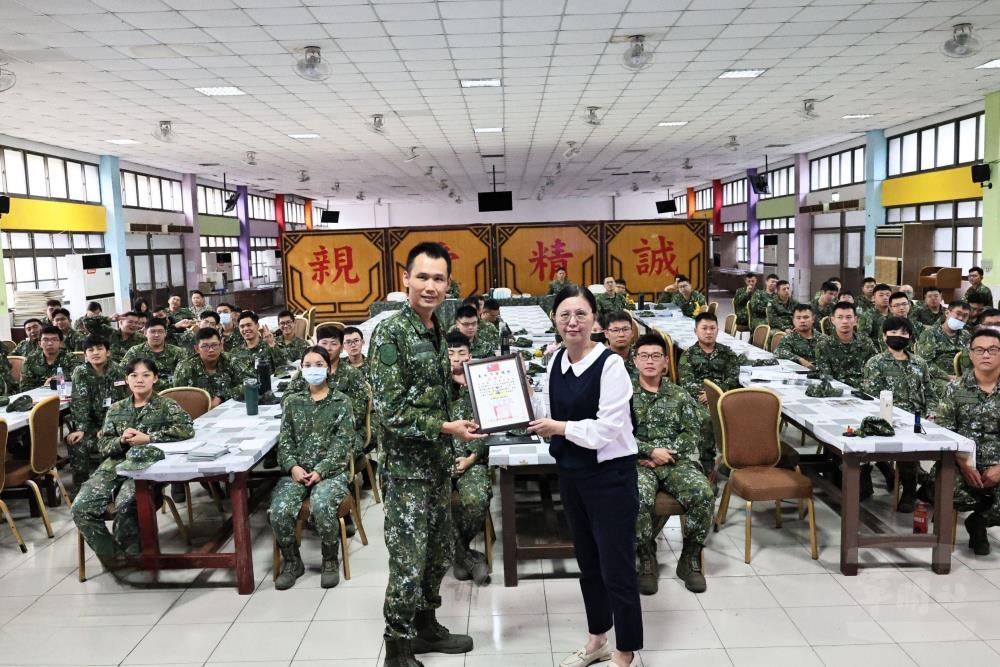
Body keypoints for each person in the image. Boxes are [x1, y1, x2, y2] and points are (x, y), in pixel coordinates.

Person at [368, 242, 482, 666]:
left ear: (448, 283)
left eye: (439, 278)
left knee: (437, 551)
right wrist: (445, 427)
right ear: (405, 279)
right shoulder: (390, 333)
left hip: (435, 464)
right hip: (406, 472)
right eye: (423, 277)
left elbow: (437, 395)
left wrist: (464, 422)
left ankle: (426, 626)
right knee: (408, 558)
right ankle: (397, 647)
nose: (430, 286)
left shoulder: (436, 327)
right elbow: (391, 411)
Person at [527, 284, 642, 667]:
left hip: (610, 477)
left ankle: (625, 650)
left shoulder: (611, 366)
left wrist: (558, 427)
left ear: (596, 320)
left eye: (581, 314)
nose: (572, 322)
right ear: (554, 320)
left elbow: (606, 430)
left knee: (617, 565)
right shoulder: (554, 360)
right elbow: (543, 408)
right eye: (564, 315)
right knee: (588, 562)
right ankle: (598, 639)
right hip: (572, 474)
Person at [71, 358, 194, 570]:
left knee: (126, 505)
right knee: (80, 508)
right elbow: (104, 445)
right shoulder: (117, 409)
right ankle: (116, 559)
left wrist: (149, 438)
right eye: (134, 376)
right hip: (113, 467)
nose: (140, 380)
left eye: (146, 375)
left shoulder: (166, 405)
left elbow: (186, 429)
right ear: (126, 380)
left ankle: (134, 559)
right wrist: (120, 440)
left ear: (155, 378)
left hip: (146, 469)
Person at [271, 346, 359, 590]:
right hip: (296, 474)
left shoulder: (342, 402)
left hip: (330, 473)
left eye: (319, 365)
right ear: (301, 369)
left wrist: (321, 470)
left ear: (329, 369)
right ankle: (292, 562)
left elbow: (343, 445)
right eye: (307, 365)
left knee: (321, 506)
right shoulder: (292, 402)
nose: (313, 370)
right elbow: (285, 442)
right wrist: (292, 467)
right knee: (278, 510)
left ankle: (330, 559)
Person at [632, 333, 713, 595]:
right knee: (637, 496)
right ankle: (646, 557)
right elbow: (616, 432)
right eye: (644, 356)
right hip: (638, 461)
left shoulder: (678, 395)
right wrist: (649, 451)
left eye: (656, 356)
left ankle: (689, 558)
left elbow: (693, 432)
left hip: (675, 461)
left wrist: (668, 453)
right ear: (635, 361)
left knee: (702, 493)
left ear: (666, 362)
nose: (650, 361)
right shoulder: (624, 394)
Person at [861, 317, 936, 510]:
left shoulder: (920, 363)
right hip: (887, 418)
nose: (898, 337)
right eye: (893, 333)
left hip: (917, 418)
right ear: (885, 336)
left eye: (903, 333)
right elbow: (871, 396)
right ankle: (887, 472)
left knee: (912, 452)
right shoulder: (875, 363)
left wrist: (933, 412)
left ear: (910, 337)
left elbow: (929, 392)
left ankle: (910, 491)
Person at [937, 328, 1000, 555]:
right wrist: (964, 465)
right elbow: (943, 432)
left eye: (993, 350)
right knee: (948, 492)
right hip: (960, 460)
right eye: (980, 350)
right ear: (970, 355)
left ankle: (979, 522)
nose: (986, 355)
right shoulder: (955, 389)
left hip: (998, 462)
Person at [444, 331, 492, 586]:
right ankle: (467, 559)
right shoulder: (434, 386)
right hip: (439, 462)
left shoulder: (481, 386)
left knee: (477, 499)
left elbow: (490, 429)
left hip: (470, 458)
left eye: (462, 353)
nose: (456, 359)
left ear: (470, 355)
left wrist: (472, 459)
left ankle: (458, 554)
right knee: (433, 505)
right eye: (450, 354)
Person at [67, 335, 128, 489]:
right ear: (85, 355)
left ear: (108, 352)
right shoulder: (80, 372)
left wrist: (107, 428)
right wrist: (81, 429)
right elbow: (80, 402)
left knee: (113, 446)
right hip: (90, 426)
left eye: (100, 348)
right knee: (77, 443)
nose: (95, 352)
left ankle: (109, 487)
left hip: (115, 426)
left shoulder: (118, 371)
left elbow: (122, 404)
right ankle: (80, 489)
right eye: (90, 350)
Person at [173, 328, 248, 407]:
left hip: (229, 411)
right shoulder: (184, 367)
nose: (211, 350)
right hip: (197, 413)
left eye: (214, 345)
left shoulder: (232, 361)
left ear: (221, 345)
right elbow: (178, 397)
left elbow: (250, 383)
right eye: (205, 346)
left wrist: (222, 396)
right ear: (197, 349)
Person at [678, 312, 741, 403]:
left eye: (712, 328)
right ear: (695, 331)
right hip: (697, 401)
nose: (709, 332)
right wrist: (705, 396)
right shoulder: (688, 355)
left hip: (722, 398)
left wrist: (715, 393)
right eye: (704, 328)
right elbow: (686, 382)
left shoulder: (727, 352)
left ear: (717, 330)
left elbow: (733, 377)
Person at [915, 300, 971, 398]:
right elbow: (924, 363)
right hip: (936, 378)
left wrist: (965, 378)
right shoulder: (930, 334)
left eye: (965, 316)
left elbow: (971, 360)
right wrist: (948, 377)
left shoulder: (966, 336)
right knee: (957, 392)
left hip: (962, 378)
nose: (961, 318)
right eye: (958, 314)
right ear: (947, 313)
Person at [815, 302, 877, 388]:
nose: (845, 321)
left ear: (855, 320)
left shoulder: (866, 342)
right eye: (840, 317)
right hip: (838, 390)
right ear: (833, 320)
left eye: (849, 317)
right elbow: (826, 377)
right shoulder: (823, 346)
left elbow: (875, 370)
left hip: (865, 389)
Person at [121, 318, 187, 390]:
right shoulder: (135, 351)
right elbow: (121, 372)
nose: (156, 335)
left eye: (160, 332)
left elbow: (184, 376)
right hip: (143, 392)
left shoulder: (177, 352)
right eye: (152, 332)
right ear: (145, 333)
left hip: (171, 392)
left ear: (165, 333)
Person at [19, 326, 81, 391]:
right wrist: (44, 387)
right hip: (39, 397)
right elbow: (24, 387)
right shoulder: (30, 360)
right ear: (39, 343)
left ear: (60, 343)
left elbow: (79, 381)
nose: (50, 343)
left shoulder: (71, 358)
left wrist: (61, 381)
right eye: (45, 340)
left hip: (64, 394)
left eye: (54, 339)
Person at [774, 304, 825, 369]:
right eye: (798, 318)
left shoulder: (824, 339)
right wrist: (801, 360)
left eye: (806, 317)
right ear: (793, 320)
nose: (802, 321)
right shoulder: (789, 338)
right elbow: (779, 351)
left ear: (813, 319)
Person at [857, 283, 892, 349]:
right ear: (873, 298)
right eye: (881, 295)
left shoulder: (895, 314)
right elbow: (862, 337)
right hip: (875, 352)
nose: (885, 297)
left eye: (888, 295)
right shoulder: (867, 315)